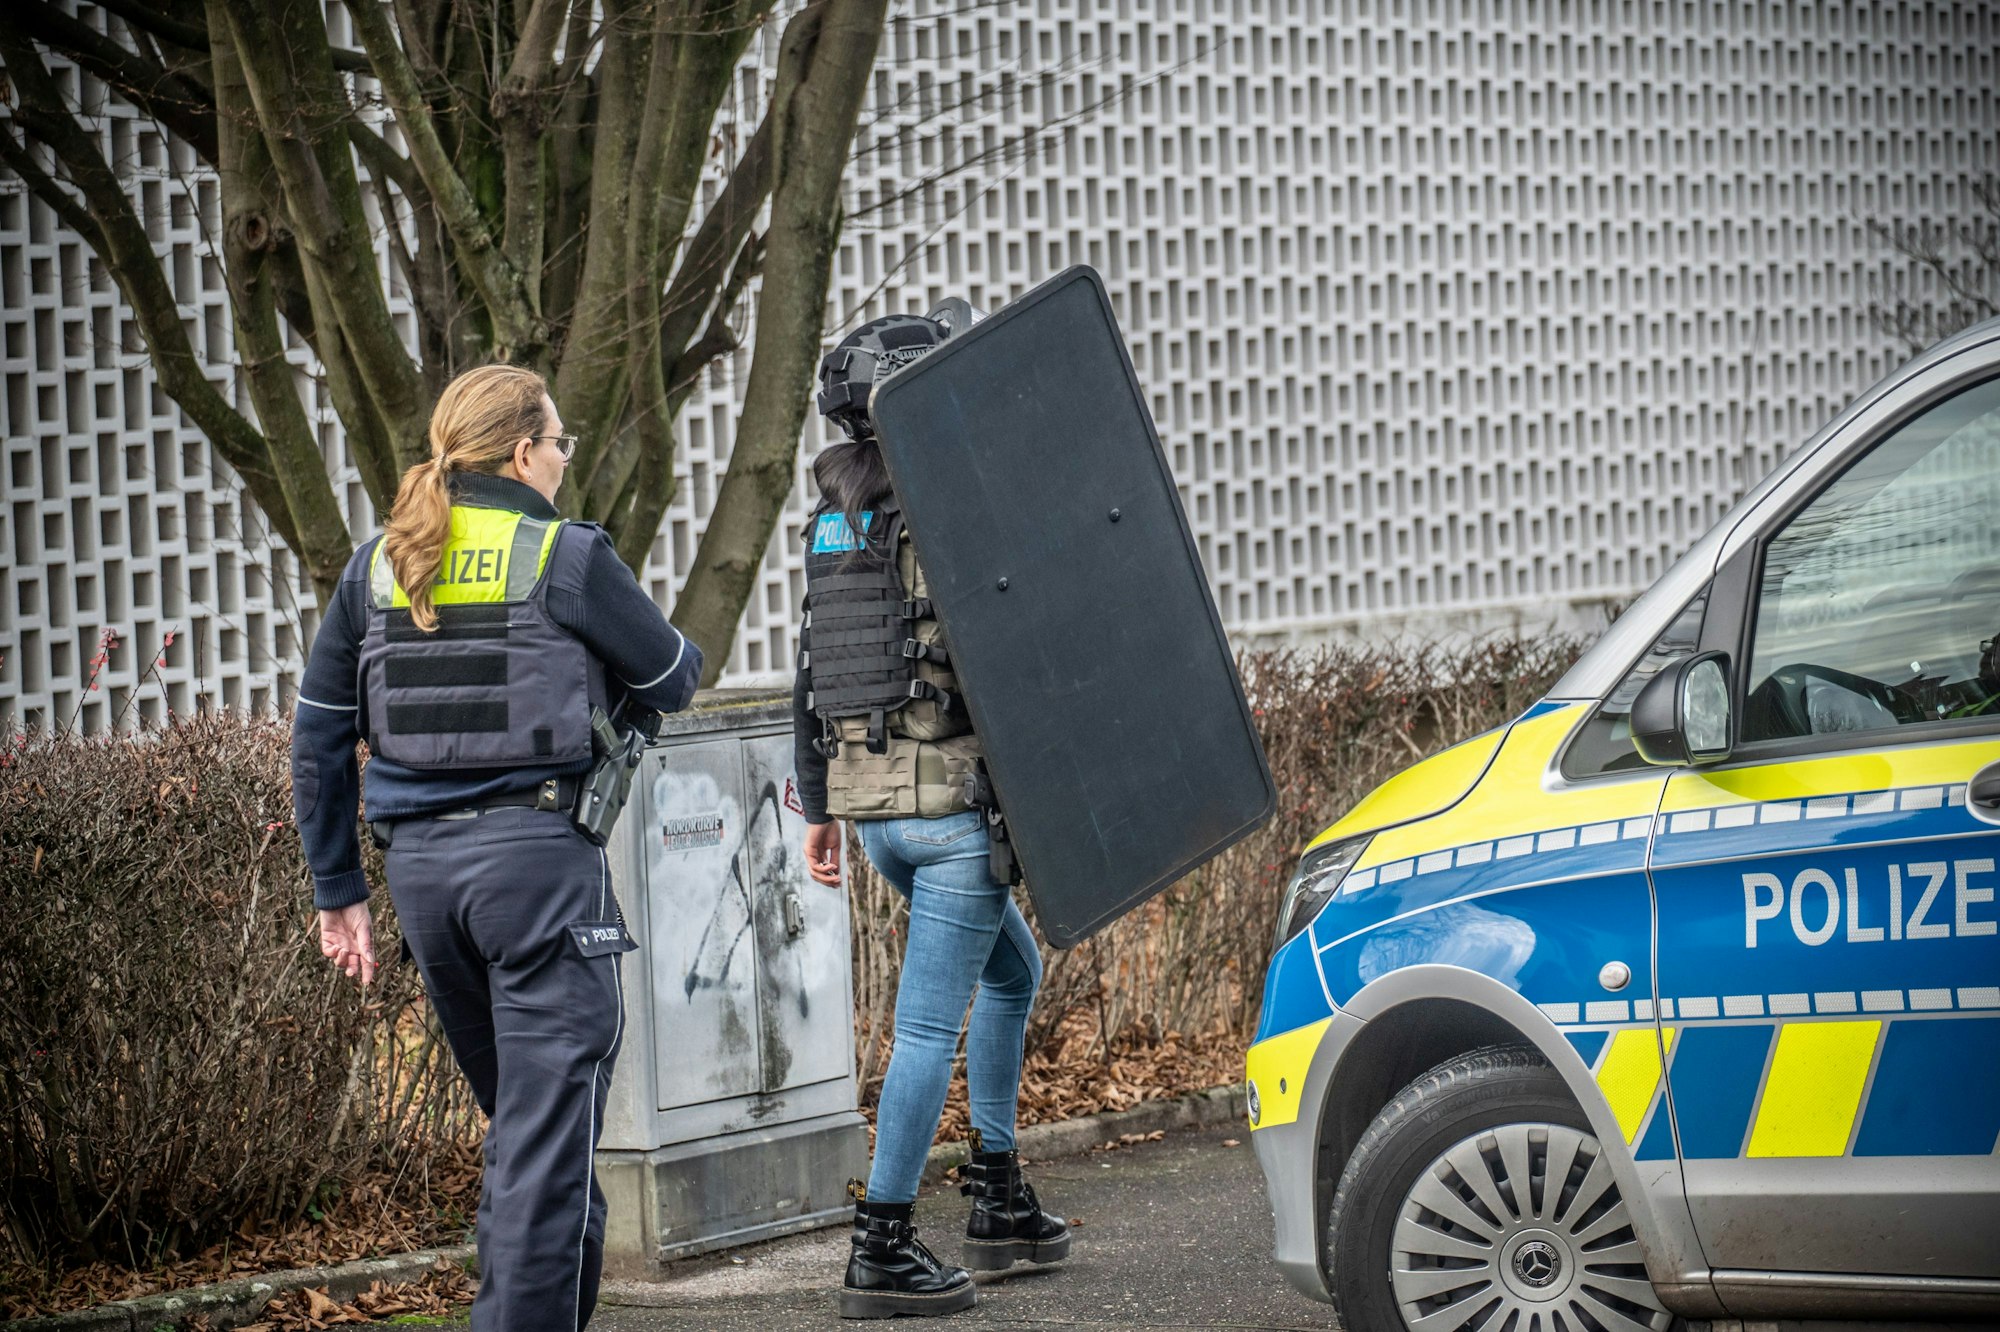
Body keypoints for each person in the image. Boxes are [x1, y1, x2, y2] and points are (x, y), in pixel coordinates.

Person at [292, 364, 702, 1332]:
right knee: (538, 1153)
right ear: (523, 451)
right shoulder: (561, 555)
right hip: (536, 879)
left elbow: (316, 734)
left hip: (425, 888)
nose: (563, 459)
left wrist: (336, 890)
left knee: (541, 1146)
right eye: (558, 443)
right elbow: (675, 674)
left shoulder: (379, 564)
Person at [796, 313, 1070, 1320]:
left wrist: (820, 805)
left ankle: (998, 1196)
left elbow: (810, 676)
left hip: (877, 815)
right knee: (923, 1029)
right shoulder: (953, 516)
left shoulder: (838, 524)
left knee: (1013, 971)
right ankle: (882, 1244)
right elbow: (1015, 665)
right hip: (953, 816)